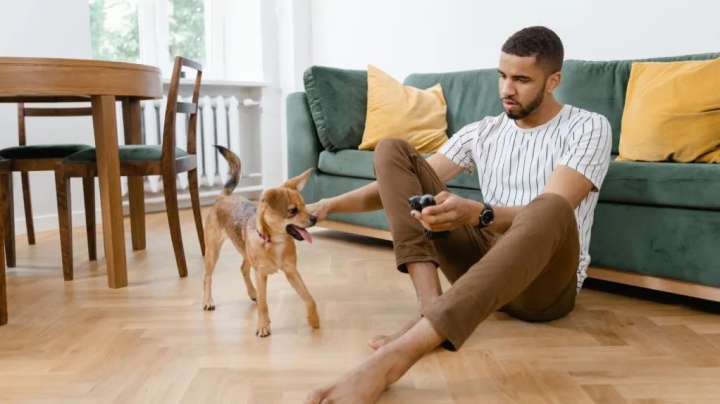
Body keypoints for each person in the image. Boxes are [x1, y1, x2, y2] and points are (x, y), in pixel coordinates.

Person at [304, 25, 612, 403]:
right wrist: (329, 205)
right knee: (393, 151)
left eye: (521, 79)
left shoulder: (589, 127)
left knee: (549, 206)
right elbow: (400, 184)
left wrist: (477, 214)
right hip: (482, 263)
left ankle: (398, 357)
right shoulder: (483, 131)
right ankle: (428, 309)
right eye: (502, 76)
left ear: (553, 81)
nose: (506, 90)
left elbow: (549, 215)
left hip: (544, 289)